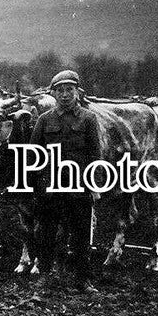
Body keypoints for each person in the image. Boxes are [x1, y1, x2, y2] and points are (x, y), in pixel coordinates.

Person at [30, 70, 103, 293]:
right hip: (50, 188)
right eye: (60, 90)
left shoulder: (88, 119)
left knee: (81, 235)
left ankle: (82, 280)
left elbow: (95, 154)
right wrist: (33, 186)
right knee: (46, 234)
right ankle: (44, 277)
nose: (64, 95)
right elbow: (33, 154)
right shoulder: (45, 119)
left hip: (79, 186)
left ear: (77, 92)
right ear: (53, 93)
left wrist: (95, 186)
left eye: (69, 90)